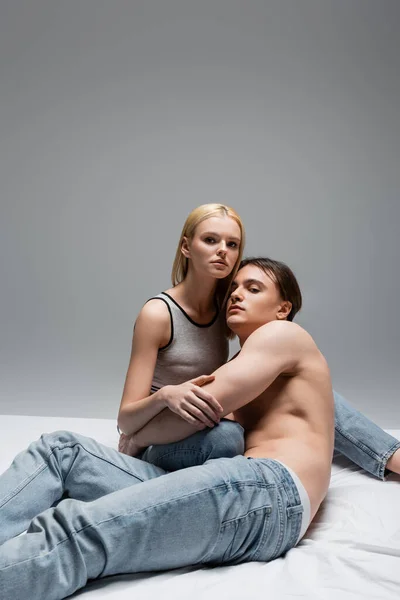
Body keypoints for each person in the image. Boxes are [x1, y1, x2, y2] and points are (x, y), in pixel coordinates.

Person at [0, 257, 335, 600]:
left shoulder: (283, 334)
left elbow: (201, 406)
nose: (236, 295)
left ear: (283, 308)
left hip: (267, 491)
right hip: (241, 490)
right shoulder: (249, 365)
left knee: (80, 531)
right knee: (62, 450)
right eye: (233, 288)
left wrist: (138, 437)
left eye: (253, 288)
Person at [116, 204, 400, 478]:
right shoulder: (158, 313)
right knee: (226, 439)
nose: (222, 251)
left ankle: (391, 457)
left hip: (206, 416)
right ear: (186, 247)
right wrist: (163, 400)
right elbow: (126, 420)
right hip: (159, 434)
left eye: (232, 244)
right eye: (210, 240)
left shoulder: (226, 306)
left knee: (311, 389)